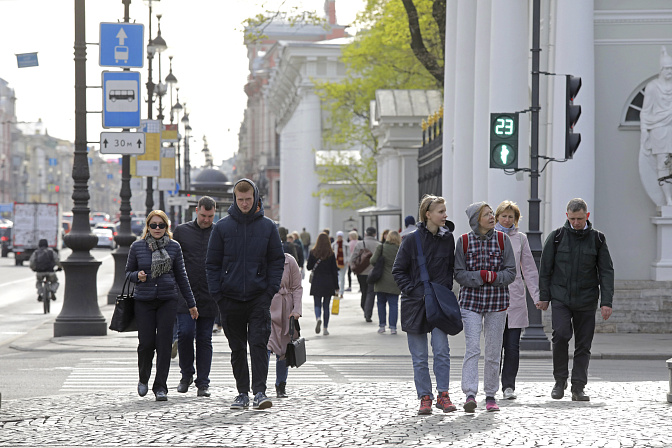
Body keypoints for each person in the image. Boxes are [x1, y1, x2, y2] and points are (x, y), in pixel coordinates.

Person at [206, 179, 285, 410]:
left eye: (248, 199)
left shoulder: (268, 227)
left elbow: (276, 261)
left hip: (258, 297)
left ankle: (260, 391)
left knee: (259, 345)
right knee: (237, 348)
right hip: (229, 298)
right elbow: (212, 264)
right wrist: (218, 294)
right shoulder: (222, 227)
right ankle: (242, 393)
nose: (244, 203)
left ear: (255, 197)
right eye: (240, 200)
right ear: (234, 199)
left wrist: (270, 291)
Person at [538, 198, 614, 402]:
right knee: (561, 335)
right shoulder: (557, 237)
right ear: (567, 216)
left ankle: (578, 387)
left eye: (580, 218)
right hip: (561, 297)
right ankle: (559, 380)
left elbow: (606, 271)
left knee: (583, 344)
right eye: (572, 218)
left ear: (587, 216)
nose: (576, 222)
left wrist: (606, 302)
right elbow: (545, 270)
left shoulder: (597, 239)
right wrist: (544, 297)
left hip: (587, 299)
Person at [392, 195, 456, 415]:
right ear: (428, 214)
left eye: (445, 211)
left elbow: (449, 269)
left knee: (442, 351)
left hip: (439, 304)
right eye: (441, 211)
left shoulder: (448, 239)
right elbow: (398, 270)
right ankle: (425, 397)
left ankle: (443, 395)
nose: (445, 215)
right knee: (419, 357)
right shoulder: (411, 240)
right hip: (414, 305)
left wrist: (443, 290)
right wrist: (413, 290)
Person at [125, 210, 199, 402]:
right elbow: (127, 273)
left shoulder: (174, 247)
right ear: (148, 227)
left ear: (167, 227)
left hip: (167, 300)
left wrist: (191, 304)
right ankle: (143, 378)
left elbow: (182, 277)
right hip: (144, 301)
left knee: (164, 345)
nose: (157, 229)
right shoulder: (137, 247)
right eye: (153, 225)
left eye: (161, 225)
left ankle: (161, 387)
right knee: (146, 344)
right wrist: (137, 276)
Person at [454, 202, 516, 412]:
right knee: (472, 348)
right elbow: (459, 274)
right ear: (475, 220)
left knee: (493, 350)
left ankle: (491, 395)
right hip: (470, 302)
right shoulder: (463, 242)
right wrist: (478, 277)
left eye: (491, 213)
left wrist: (494, 277)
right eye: (487, 214)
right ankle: (470, 394)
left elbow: (511, 273)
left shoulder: (502, 240)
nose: (492, 217)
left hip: (497, 303)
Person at [172, 196, 219, 398]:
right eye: (203, 215)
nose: (206, 219)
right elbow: (173, 259)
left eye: (210, 216)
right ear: (196, 211)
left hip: (209, 295)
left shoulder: (219, 232)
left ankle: (203, 382)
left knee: (204, 339)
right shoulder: (182, 231)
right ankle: (186, 375)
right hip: (185, 294)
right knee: (185, 334)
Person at [494, 201, 540, 400]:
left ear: (516, 219)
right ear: (497, 217)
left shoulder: (520, 239)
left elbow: (529, 268)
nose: (507, 219)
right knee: (494, 346)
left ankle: (508, 385)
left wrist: (537, 296)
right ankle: (490, 385)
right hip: (493, 298)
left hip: (514, 298)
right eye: (503, 216)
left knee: (512, 345)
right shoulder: (488, 236)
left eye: (510, 217)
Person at [267, 253, 303, 398]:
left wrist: (296, 310)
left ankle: (281, 385)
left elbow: (297, 287)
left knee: (283, 350)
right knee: (265, 347)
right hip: (267, 307)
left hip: (286, 311)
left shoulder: (290, 261)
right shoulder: (260, 257)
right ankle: (260, 385)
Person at [640, 46, 672, 205]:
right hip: (659, 129)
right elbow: (645, 111)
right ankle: (668, 199)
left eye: (671, 68)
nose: (669, 71)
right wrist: (645, 130)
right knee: (663, 164)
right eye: (666, 68)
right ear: (661, 69)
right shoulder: (653, 87)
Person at [307, 232, 339, 336]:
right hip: (328, 282)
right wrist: (337, 287)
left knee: (317, 303)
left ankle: (318, 318)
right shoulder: (331, 253)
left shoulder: (313, 252)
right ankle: (325, 328)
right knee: (326, 306)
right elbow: (334, 271)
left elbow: (309, 267)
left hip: (317, 281)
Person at [370, 230, 401, 334]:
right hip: (395, 280)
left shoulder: (381, 247)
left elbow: (373, 260)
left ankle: (382, 326)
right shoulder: (400, 249)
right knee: (393, 305)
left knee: (381, 303)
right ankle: (393, 327)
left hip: (381, 279)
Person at [350, 227, 381, 322]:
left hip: (361, 272)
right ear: (375, 234)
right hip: (374, 272)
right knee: (371, 293)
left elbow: (353, 258)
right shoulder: (379, 245)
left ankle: (364, 306)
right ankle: (368, 312)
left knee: (364, 290)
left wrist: (353, 268)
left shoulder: (360, 244)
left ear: (366, 234)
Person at [331, 231, 350, 298]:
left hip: (343, 263)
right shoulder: (334, 244)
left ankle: (341, 292)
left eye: (340, 236)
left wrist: (347, 261)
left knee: (342, 278)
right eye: (338, 236)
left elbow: (348, 254)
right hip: (336, 263)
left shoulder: (346, 244)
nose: (339, 237)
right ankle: (336, 291)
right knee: (336, 278)